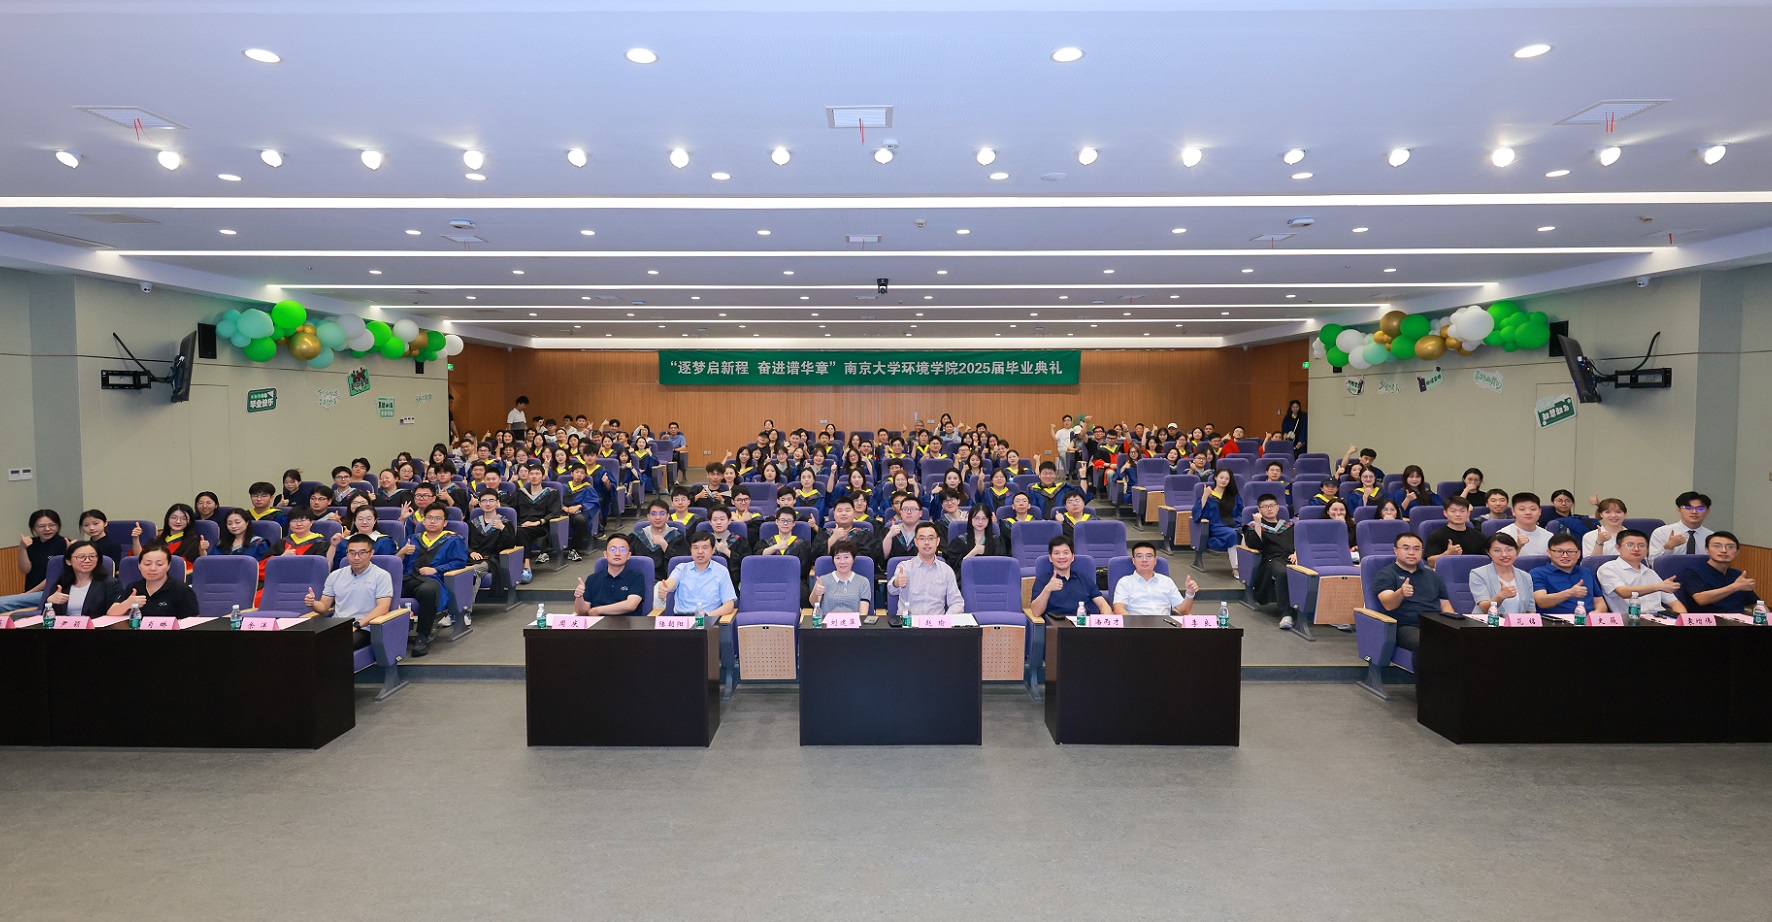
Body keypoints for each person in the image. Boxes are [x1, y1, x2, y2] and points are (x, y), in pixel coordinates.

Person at [303, 534, 394, 651]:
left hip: (364, 628)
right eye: (352, 553)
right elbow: (324, 607)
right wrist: (313, 603)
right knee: (302, 642)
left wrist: (357, 624)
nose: (356, 557)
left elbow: (383, 608)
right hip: (336, 625)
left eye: (362, 553)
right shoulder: (335, 575)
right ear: (347, 553)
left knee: (335, 646)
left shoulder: (381, 576)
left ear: (371, 553)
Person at [401, 504, 468, 656]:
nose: (432, 521)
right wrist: (403, 552)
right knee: (389, 590)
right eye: (429, 518)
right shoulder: (412, 539)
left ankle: (423, 636)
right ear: (423, 521)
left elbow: (459, 562)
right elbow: (396, 561)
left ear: (445, 523)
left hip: (434, 580)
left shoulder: (453, 540)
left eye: (437, 518)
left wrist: (436, 569)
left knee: (427, 591)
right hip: (409, 578)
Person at [1371, 533, 1456, 652]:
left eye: (1416, 549)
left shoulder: (1433, 576)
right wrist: (1400, 593)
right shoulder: (1386, 574)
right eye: (1406, 548)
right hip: (1405, 626)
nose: (1411, 553)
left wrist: (1452, 625)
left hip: (1434, 623)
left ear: (1421, 551)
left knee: (1467, 640)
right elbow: (1388, 605)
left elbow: (1445, 604)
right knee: (1427, 643)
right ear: (1395, 550)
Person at [1595, 529, 1686, 616]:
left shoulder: (1650, 572)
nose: (1636, 549)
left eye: (1641, 545)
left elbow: (1674, 603)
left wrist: (1683, 619)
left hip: (1660, 619)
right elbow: (1623, 592)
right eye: (1630, 545)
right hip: (1631, 619)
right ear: (1618, 547)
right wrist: (1658, 586)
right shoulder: (1609, 568)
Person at [1239, 496, 1298, 627]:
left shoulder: (1289, 526)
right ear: (1259, 510)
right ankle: (1286, 614)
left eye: (1272, 506)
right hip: (1271, 560)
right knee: (1283, 572)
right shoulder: (1252, 526)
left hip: (1292, 558)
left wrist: (1297, 553)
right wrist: (1258, 523)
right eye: (1265, 507)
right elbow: (1256, 545)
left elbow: (1301, 542)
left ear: (1278, 507)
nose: (1269, 509)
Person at [887, 522, 966, 619]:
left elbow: (957, 602)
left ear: (937, 541)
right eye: (922, 538)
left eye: (931, 538)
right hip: (909, 624)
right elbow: (891, 590)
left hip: (936, 624)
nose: (927, 542)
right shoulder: (905, 567)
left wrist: (945, 619)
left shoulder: (946, 571)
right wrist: (896, 583)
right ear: (916, 542)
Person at [105, 543, 200, 620]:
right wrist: (127, 604)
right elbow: (111, 612)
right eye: (147, 564)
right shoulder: (134, 588)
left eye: (159, 564)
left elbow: (192, 621)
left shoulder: (181, 590)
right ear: (139, 566)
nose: (152, 568)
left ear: (168, 566)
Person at [1677, 531, 1760, 614]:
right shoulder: (1694, 572)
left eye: (1730, 547)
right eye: (1717, 546)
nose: (1724, 550)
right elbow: (1701, 599)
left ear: (1737, 552)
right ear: (1707, 549)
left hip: (1737, 619)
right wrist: (1734, 587)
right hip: (1708, 619)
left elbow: (1757, 603)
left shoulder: (1737, 575)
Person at [657, 533, 738, 618]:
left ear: (713, 550)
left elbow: (729, 605)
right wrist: (664, 587)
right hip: (682, 620)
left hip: (709, 619)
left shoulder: (721, 571)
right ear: (691, 550)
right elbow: (671, 582)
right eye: (696, 548)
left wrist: (706, 616)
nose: (700, 551)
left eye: (705, 547)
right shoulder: (681, 568)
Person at [1029, 535, 1109, 621]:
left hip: (1083, 624)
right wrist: (1047, 589)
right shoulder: (1043, 580)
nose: (1061, 557)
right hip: (1057, 626)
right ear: (1050, 558)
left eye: (1066, 553)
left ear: (1072, 557)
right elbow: (1036, 612)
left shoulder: (1085, 580)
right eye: (1056, 553)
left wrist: (1106, 621)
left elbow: (1103, 605)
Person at [1112, 541, 1198, 617]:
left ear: (1155, 560)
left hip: (1164, 626)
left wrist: (1189, 594)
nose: (1144, 560)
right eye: (1139, 556)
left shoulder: (1167, 582)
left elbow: (1183, 611)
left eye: (1149, 556)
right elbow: (1118, 609)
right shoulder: (1124, 582)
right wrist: (1134, 625)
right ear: (1133, 561)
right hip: (1136, 626)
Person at [572, 535, 648, 617]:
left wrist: (598, 610)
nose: (617, 553)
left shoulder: (636, 577)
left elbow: (630, 605)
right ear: (605, 554)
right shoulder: (592, 579)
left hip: (626, 623)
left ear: (629, 555)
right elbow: (582, 613)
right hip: (597, 623)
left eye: (622, 550)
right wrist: (579, 597)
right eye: (612, 549)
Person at [1530, 533, 1606, 615]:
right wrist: (1570, 593)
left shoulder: (1586, 572)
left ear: (1578, 554)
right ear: (1549, 553)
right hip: (1555, 620)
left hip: (1588, 619)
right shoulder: (1538, 573)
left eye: (1570, 552)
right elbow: (1541, 601)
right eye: (1559, 551)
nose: (1565, 556)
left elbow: (1599, 601)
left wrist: (1597, 613)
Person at [45, 540, 122, 620]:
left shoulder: (110, 584)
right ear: (68, 561)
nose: (87, 560)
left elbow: (113, 615)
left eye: (92, 556)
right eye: (81, 557)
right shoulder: (61, 584)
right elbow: (46, 617)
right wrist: (50, 601)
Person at [1468, 533, 1534, 617]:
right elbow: (1484, 608)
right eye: (1497, 550)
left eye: (1509, 549)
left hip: (1518, 623)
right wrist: (1501, 596)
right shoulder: (1478, 574)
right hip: (1487, 623)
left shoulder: (1525, 576)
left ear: (1516, 551)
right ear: (1488, 552)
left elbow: (1531, 610)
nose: (1504, 555)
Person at [513, 464, 563, 565]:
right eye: (531, 474)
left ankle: (526, 564)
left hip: (541, 526)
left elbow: (554, 512)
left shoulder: (551, 493)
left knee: (520, 532)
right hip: (523, 524)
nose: (534, 476)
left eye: (537, 474)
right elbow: (510, 508)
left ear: (543, 476)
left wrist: (538, 522)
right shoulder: (521, 493)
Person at [810, 540, 872, 617]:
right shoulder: (823, 580)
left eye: (846, 557)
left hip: (853, 623)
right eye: (838, 558)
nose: (842, 562)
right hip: (828, 623)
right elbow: (814, 604)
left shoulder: (863, 582)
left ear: (853, 559)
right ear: (833, 560)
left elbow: (863, 614)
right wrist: (816, 592)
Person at [1649, 491, 1714, 561]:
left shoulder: (1712, 537)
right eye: (1688, 508)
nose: (1694, 512)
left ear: (1707, 511)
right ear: (1678, 509)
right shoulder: (1662, 532)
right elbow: (1652, 562)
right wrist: (1668, 547)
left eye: (1700, 509)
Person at [631, 500, 688, 576]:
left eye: (662, 513)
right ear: (648, 516)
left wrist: (664, 545)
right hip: (641, 579)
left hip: (668, 579)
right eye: (653, 514)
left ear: (668, 516)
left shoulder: (677, 537)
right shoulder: (638, 536)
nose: (658, 517)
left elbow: (683, 565)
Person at [945, 503, 1004, 574]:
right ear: (970, 519)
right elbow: (954, 569)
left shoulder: (996, 540)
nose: (980, 522)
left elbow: (1001, 566)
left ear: (989, 520)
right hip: (967, 577)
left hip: (991, 576)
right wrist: (973, 552)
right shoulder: (959, 541)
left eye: (984, 518)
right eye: (976, 518)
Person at [1193, 468, 1242, 552]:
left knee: (1248, 533)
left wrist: (1238, 523)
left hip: (1233, 525)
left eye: (1227, 479)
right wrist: (1205, 495)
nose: (1223, 480)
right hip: (1216, 526)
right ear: (1215, 477)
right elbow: (1196, 514)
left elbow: (1240, 512)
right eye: (1221, 477)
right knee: (1233, 534)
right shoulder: (1209, 495)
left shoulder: (1234, 496)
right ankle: (1235, 560)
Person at [1426, 495, 1486, 564]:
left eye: (1462, 511)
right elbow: (1430, 562)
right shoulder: (1436, 536)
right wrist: (1447, 554)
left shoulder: (1479, 536)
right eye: (1453, 511)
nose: (1458, 514)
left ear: (1468, 513)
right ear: (1445, 513)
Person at [1498, 492, 1553, 557]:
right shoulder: (1503, 535)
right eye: (1522, 509)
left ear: (1540, 512)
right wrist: (1518, 546)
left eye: (1533, 509)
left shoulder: (1549, 536)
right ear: (1513, 512)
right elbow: (1499, 560)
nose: (1528, 512)